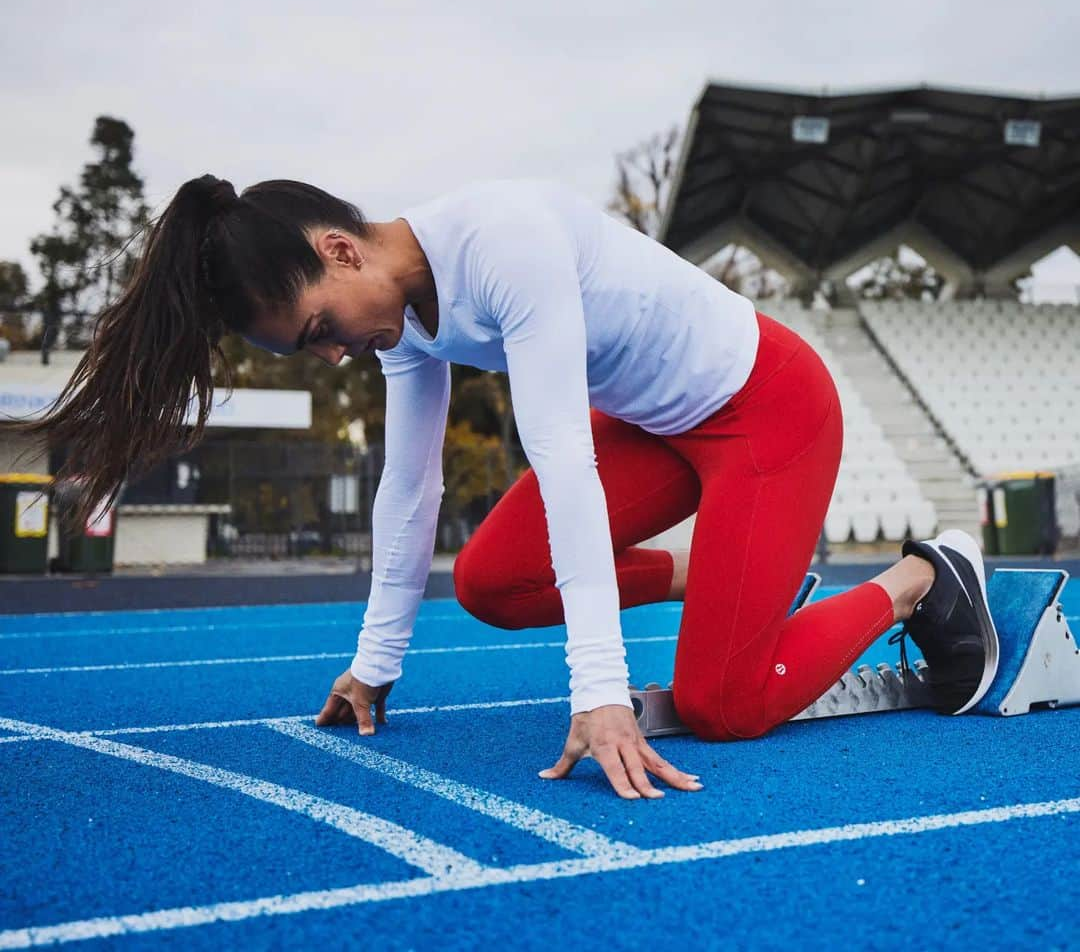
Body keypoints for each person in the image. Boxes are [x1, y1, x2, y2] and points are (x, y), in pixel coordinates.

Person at [23, 174, 999, 801]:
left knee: (723, 704)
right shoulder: (394, 318)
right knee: (493, 581)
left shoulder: (505, 244)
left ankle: (924, 577)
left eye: (319, 328)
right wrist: (375, 662)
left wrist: (601, 695)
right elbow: (407, 483)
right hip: (657, 426)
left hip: (766, 406)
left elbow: (562, 457)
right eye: (309, 349)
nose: (331, 353)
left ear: (339, 250)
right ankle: (727, 576)